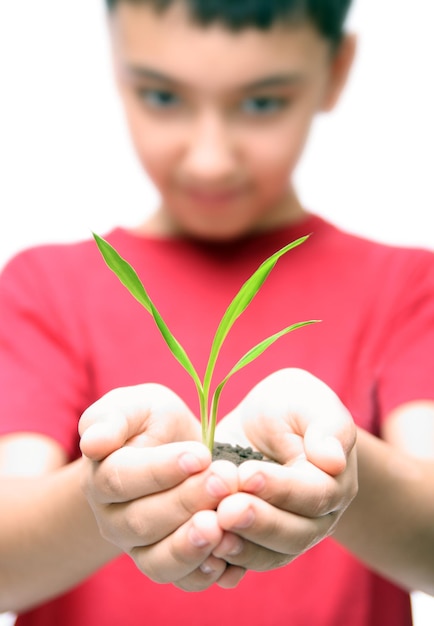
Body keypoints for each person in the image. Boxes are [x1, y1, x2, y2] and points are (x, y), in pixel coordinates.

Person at [0, 1, 433, 625]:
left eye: (261, 103)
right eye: (162, 96)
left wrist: (340, 467)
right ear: (116, 69)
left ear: (336, 71)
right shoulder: (47, 287)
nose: (209, 158)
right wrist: (103, 493)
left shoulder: (407, 286)